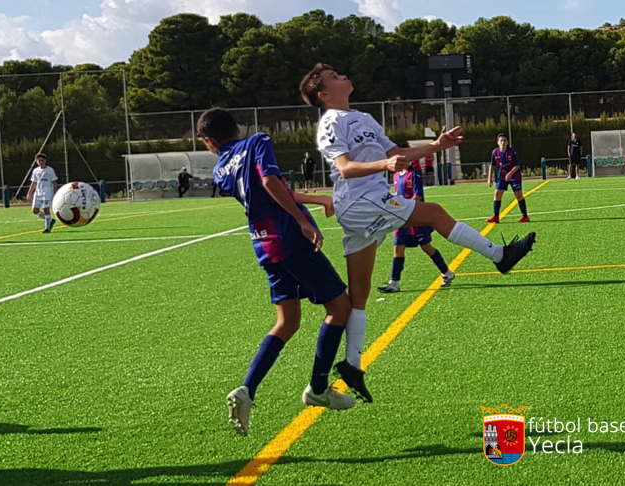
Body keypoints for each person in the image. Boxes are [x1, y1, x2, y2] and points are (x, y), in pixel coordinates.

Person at [299, 64, 536, 400]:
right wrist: (383, 165)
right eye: (334, 78)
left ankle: (352, 365)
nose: (343, 77)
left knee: (359, 295)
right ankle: (500, 256)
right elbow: (345, 168)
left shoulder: (364, 119)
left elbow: (398, 155)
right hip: (359, 202)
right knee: (434, 213)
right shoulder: (330, 124)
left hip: (371, 202)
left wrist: (437, 146)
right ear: (324, 95)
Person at [197, 108, 357, 438]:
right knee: (340, 308)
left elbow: (266, 191)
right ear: (238, 128)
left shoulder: (220, 170)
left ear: (209, 141)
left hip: (264, 244)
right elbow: (269, 181)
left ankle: (246, 390)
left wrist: (313, 199)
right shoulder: (258, 141)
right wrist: (301, 220)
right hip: (289, 238)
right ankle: (318, 387)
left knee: (288, 321)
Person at [377, 162, 455, 293]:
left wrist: (406, 209)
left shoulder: (414, 174)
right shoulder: (396, 175)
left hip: (415, 217)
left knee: (426, 247)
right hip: (401, 219)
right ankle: (394, 282)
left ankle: (447, 273)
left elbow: (418, 195)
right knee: (398, 247)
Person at [487, 134, 530, 223]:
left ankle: (525, 216)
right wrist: (489, 178)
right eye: (501, 141)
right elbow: (492, 165)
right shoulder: (495, 152)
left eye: (504, 141)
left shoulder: (512, 152)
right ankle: (496, 216)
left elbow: (517, 165)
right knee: (497, 194)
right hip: (502, 176)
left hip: (514, 175)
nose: (503, 142)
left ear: (507, 142)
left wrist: (510, 174)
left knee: (518, 195)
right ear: (498, 142)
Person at [26, 153, 59, 233]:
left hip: (47, 192)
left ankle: (47, 228)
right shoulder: (35, 171)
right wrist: (29, 193)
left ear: (45, 161)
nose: (41, 162)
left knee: (46, 209)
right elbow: (34, 182)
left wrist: (55, 193)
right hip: (38, 192)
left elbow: (54, 182)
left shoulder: (50, 170)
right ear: (36, 161)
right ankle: (50, 220)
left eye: (42, 160)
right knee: (35, 210)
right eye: (39, 160)